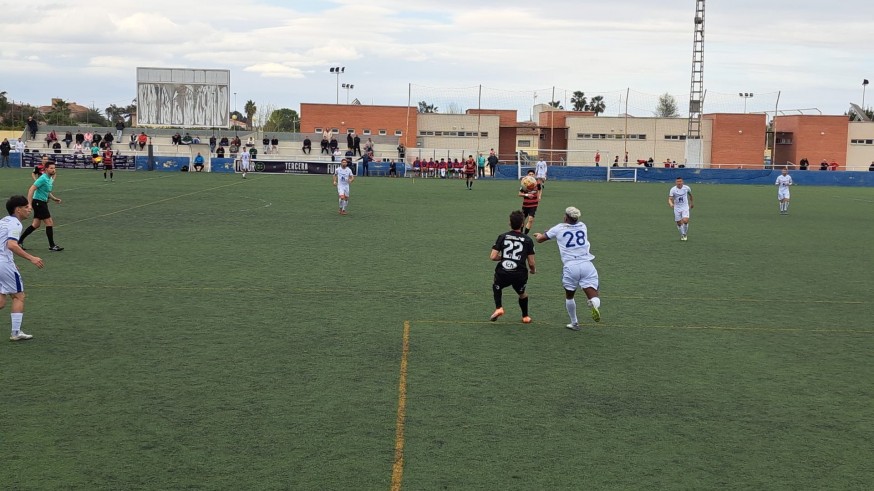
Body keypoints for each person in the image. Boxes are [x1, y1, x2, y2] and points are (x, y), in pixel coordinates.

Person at [534, 206, 602, 331]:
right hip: (587, 264)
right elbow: (569, 232)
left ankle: (574, 323)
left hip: (571, 266)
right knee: (594, 295)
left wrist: (540, 235)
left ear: (565, 217)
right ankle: (594, 303)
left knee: (570, 296)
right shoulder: (583, 226)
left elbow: (540, 239)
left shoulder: (558, 228)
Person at [1, 195, 46, 341]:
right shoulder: (15, 224)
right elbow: (11, 245)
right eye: (26, 207)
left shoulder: (3, 221)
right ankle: (16, 333)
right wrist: (32, 258)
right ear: (18, 210)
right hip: (3, 264)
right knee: (18, 296)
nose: (29, 209)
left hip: (3, 263)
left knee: (1, 301)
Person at [489, 210, 536, 324]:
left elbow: (493, 257)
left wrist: (505, 257)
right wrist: (533, 270)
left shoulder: (502, 236)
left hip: (503, 272)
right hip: (519, 274)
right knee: (522, 294)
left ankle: (499, 308)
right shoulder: (528, 240)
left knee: (496, 286)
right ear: (522, 224)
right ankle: (525, 317)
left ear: (509, 223)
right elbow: (531, 262)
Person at [18, 161, 63, 252]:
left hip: (42, 202)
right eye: (51, 168)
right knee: (49, 222)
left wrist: (54, 199)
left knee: (36, 224)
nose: (53, 170)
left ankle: (19, 241)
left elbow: (47, 191)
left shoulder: (49, 179)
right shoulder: (42, 178)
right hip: (38, 202)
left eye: (54, 168)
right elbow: (31, 189)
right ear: (46, 169)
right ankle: (52, 246)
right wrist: (29, 204)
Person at [668, 177, 693, 241]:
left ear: (682, 182)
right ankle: (682, 234)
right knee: (679, 223)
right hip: (677, 208)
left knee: (685, 221)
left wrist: (691, 203)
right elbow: (670, 199)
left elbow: (690, 195)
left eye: (680, 181)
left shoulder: (687, 188)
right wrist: (671, 203)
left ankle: (684, 234)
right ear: (676, 182)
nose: (679, 183)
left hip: (685, 207)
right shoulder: (673, 189)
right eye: (677, 181)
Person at [519, 170, 542, 235]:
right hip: (525, 205)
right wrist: (527, 195)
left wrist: (539, 196)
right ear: (527, 175)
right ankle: (520, 233)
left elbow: (540, 189)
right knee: (522, 220)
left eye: (532, 174)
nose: (531, 175)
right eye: (530, 174)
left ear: (534, 175)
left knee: (530, 219)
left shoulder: (537, 183)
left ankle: (525, 235)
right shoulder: (524, 184)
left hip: (534, 204)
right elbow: (519, 194)